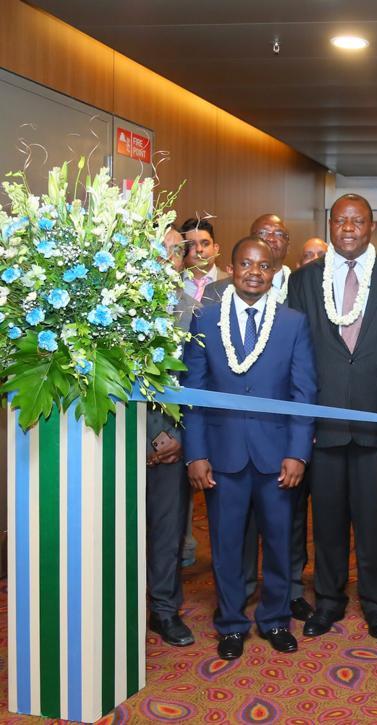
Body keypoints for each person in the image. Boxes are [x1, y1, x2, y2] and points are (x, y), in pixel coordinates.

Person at [182, 237, 317, 660]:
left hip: (278, 457)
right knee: (225, 545)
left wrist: (298, 453)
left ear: (274, 272)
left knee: (279, 542)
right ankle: (231, 623)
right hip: (222, 456)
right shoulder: (205, 319)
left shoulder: (293, 323)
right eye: (245, 264)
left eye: (263, 266)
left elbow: (304, 392)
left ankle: (275, 619)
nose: (254, 272)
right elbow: (193, 391)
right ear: (232, 269)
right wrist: (195, 453)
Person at [287, 193, 377, 640]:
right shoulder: (304, 280)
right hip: (323, 424)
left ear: (371, 226)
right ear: (330, 225)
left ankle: (376, 604)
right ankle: (328, 601)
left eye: (357, 221)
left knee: (375, 521)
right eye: (340, 220)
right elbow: (296, 354)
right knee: (327, 522)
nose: (348, 228)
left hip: (376, 421)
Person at [146, 228, 200, 648]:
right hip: (116, 441)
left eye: (177, 250)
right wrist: (146, 436)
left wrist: (179, 435)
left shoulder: (195, 311)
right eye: (160, 249)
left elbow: (201, 382)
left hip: (173, 443)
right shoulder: (109, 308)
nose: (169, 257)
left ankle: (164, 610)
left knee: (168, 532)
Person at [180, 217, 223, 301]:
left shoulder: (232, 283)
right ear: (182, 250)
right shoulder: (169, 283)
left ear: (215, 249)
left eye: (205, 244)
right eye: (191, 244)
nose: (199, 249)